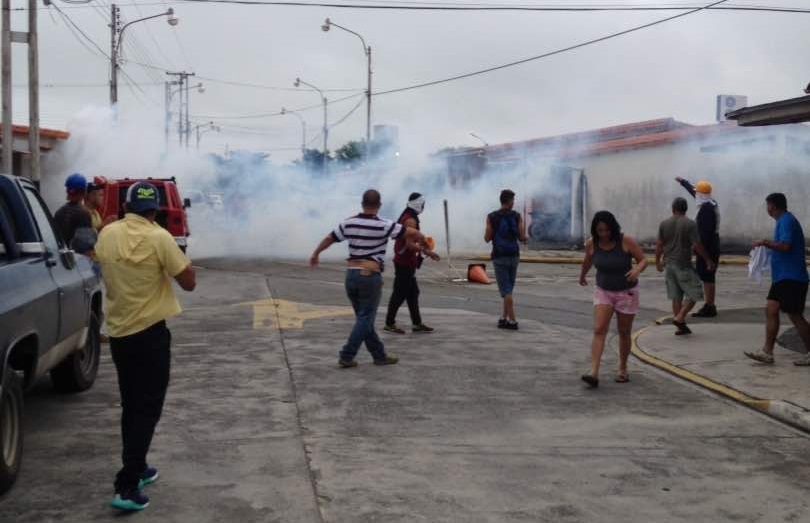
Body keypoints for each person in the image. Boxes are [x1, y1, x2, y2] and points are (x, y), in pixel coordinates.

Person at [95, 182, 196, 511]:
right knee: (147, 409)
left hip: (120, 334)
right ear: (155, 210)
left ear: (125, 207)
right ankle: (126, 485)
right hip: (150, 336)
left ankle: (138, 467)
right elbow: (189, 282)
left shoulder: (108, 233)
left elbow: (99, 260)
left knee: (131, 405)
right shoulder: (159, 237)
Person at [310, 189, 427, 368]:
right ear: (379, 205)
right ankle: (347, 355)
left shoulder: (348, 223)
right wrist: (424, 242)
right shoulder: (384, 225)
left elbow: (330, 238)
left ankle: (379, 355)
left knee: (364, 319)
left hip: (351, 275)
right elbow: (413, 234)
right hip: (369, 276)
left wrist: (316, 253)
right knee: (365, 318)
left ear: (362, 204)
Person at [579, 211, 647, 387]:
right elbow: (588, 260)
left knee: (623, 332)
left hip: (627, 292)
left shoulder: (626, 241)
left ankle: (623, 368)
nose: (604, 234)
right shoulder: (592, 244)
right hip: (604, 291)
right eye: (600, 231)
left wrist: (637, 270)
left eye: (607, 230)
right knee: (599, 329)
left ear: (613, 229)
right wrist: (582, 275)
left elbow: (643, 260)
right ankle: (594, 372)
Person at [744, 193, 810, 366]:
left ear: (772, 206)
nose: (767, 209)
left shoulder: (787, 221)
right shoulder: (782, 222)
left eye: (768, 205)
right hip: (782, 277)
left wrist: (766, 243)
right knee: (771, 309)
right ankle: (767, 352)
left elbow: (786, 246)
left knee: (795, 315)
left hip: (792, 277)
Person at [655, 197, 716, 335]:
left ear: (673, 208)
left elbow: (659, 245)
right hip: (683, 264)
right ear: (686, 209)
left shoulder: (664, 223)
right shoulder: (690, 224)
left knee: (676, 297)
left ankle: (680, 326)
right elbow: (696, 245)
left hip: (669, 264)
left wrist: (658, 262)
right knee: (696, 292)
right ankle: (680, 317)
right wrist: (708, 259)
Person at [384, 193, 440, 334]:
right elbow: (409, 245)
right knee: (399, 293)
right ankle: (389, 323)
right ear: (418, 204)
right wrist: (428, 252)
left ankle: (416, 323)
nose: (423, 207)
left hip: (406, 260)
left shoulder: (408, 216)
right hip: (404, 261)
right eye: (422, 204)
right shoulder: (410, 220)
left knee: (412, 293)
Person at [676, 177, 720, 317]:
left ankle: (709, 306)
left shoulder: (706, 211)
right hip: (712, 243)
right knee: (708, 277)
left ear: (701, 195)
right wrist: (684, 182)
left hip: (708, 246)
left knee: (706, 276)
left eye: (697, 192)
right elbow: (694, 191)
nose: (695, 194)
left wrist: (702, 254)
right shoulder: (710, 202)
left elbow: (704, 235)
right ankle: (710, 305)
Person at [485, 189, 527, 330]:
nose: (514, 203)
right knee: (508, 288)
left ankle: (513, 320)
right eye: (513, 200)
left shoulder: (491, 217)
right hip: (514, 256)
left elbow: (487, 238)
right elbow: (522, 237)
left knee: (506, 290)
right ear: (508, 201)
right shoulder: (517, 216)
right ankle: (503, 318)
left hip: (499, 256)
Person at [53, 173, 92, 247]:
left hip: (62, 255)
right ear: (84, 192)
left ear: (67, 191)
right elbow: (86, 244)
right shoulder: (84, 213)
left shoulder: (59, 212)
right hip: (77, 257)